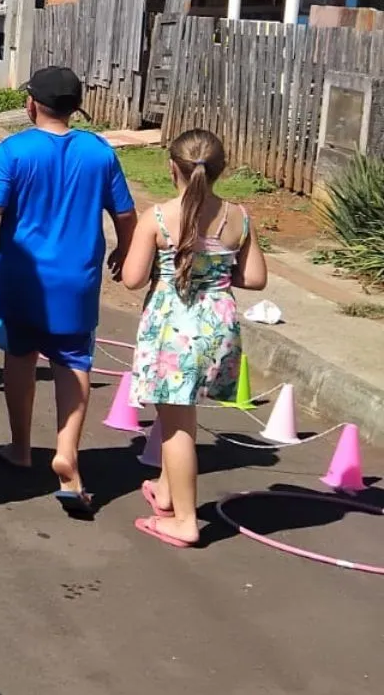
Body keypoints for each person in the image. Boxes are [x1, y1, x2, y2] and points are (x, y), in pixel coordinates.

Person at [0, 66, 137, 513]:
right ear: (74, 107)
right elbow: (124, 213)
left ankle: (21, 447)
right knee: (73, 361)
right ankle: (67, 453)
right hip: (77, 282)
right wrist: (123, 250)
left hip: (23, 281)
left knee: (20, 359)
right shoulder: (99, 152)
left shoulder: (14, 150)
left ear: (31, 104)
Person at [121, 128, 265, 548]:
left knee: (177, 427)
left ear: (172, 169)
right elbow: (254, 277)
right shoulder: (238, 217)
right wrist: (221, 269)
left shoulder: (159, 217)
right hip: (216, 326)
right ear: (222, 170)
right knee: (178, 413)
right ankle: (166, 490)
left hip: (172, 327)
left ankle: (184, 520)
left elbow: (131, 279)